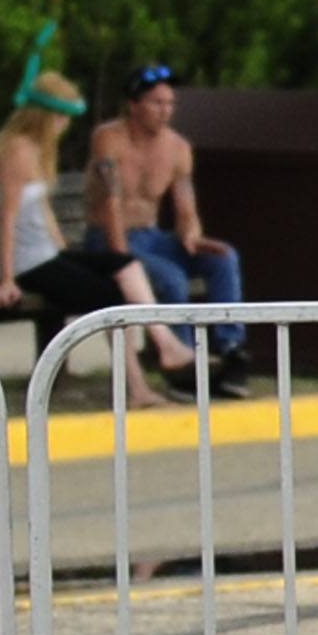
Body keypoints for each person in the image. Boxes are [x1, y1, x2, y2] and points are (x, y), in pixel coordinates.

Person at [0, 70, 196, 408]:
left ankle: (164, 341)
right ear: (43, 116)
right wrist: (6, 279)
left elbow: (41, 210)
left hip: (46, 255)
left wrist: (64, 251)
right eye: (61, 116)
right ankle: (136, 388)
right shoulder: (17, 152)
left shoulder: (35, 150)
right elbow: (6, 220)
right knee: (113, 298)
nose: (64, 124)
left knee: (124, 264)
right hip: (25, 265)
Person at [85, 64, 250, 398]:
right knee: (171, 277)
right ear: (134, 105)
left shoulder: (177, 147)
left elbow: (185, 205)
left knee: (223, 259)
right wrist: (121, 258)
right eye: (156, 103)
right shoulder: (109, 139)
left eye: (169, 104)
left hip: (152, 236)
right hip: (109, 237)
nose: (165, 112)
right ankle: (180, 363)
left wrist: (192, 235)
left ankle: (230, 347)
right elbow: (110, 203)